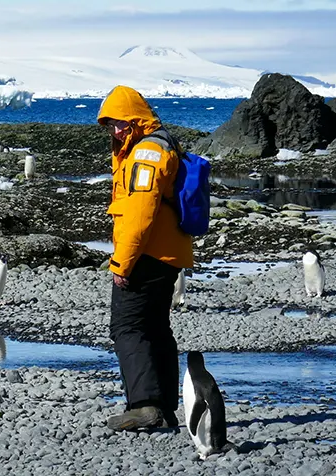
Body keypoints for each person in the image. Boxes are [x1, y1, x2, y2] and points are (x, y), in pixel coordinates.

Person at [97, 85, 195, 431]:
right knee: (155, 328)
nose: (116, 131)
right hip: (167, 252)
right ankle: (165, 410)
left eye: (120, 123)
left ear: (135, 119)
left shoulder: (146, 153)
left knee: (128, 327)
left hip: (148, 254)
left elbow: (140, 212)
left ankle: (145, 407)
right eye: (111, 126)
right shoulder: (157, 144)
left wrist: (123, 263)